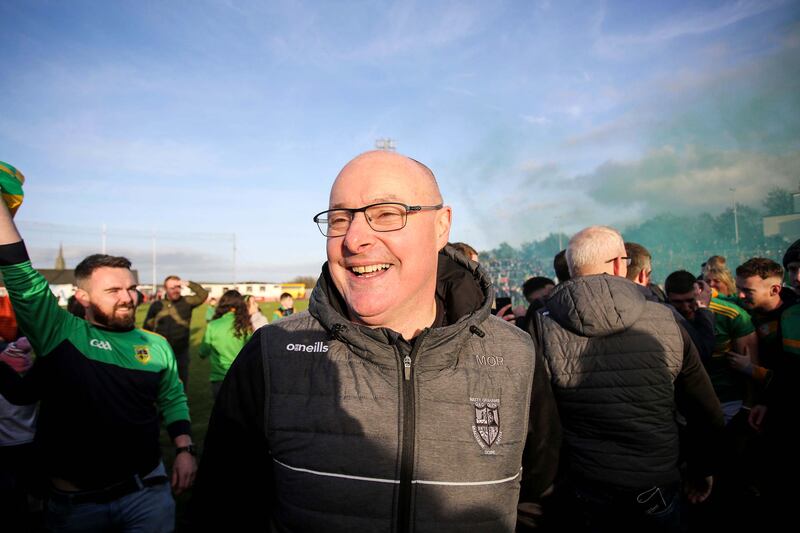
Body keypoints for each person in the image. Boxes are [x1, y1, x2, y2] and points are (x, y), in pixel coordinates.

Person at [191, 150, 561, 532]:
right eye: (339, 218)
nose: (354, 238)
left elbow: (539, 500)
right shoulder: (273, 354)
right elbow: (222, 511)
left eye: (386, 214)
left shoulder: (515, 356)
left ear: (441, 226)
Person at [0, 169, 196, 532]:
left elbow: (172, 398)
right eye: (113, 291)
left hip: (147, 494)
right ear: (83, 297)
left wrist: (183, 449)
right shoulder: (59, 332)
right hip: (75, 508)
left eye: (131, 288)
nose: (127, 298)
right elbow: (21, 277)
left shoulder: (156, 345)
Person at [531, 226, 723, 533]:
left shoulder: (542, 327)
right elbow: (703, 406)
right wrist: (703, 468)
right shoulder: (666, 319)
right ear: (621, 264)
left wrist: (540, 487)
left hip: (586, 486)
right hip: (658, 482)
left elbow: (539, 420)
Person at [143, 275, 208, 390]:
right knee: (159, 380)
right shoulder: (157, 305)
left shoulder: (187, 301)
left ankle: (180, 405)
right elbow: (147, 326)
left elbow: (203, 295)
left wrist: (188, 283)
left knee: (181, 381)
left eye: (178, 287)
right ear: (165, 289)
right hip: (160, 349)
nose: (176, 290)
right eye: (172, 288)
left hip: (180, 350)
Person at [199, 290, 253, 400]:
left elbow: (203, 352)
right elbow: (252, 352)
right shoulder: (246, 325)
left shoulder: (213, 325)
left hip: (219, 378)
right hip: (240, 377)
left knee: (220, 414)